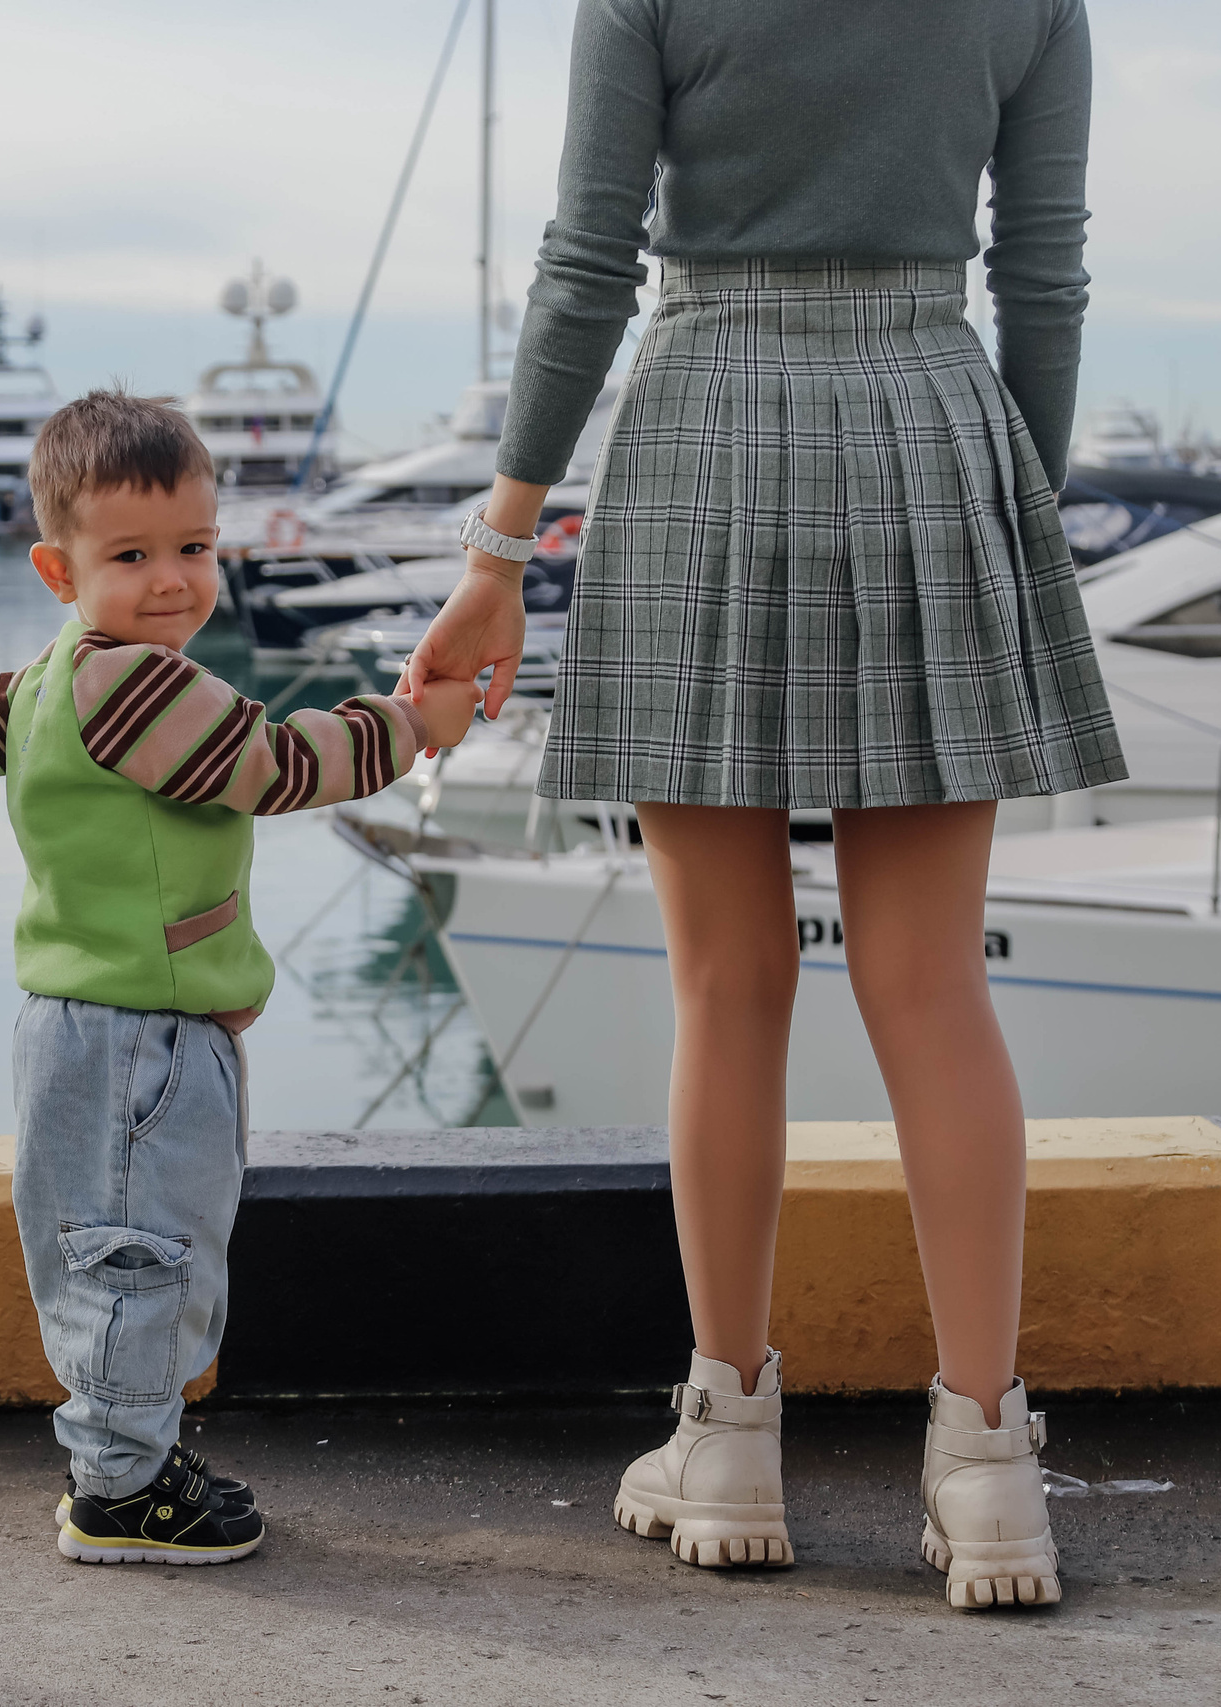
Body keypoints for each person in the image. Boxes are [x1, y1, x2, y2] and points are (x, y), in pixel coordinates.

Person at [400, 0, 1122, 1610]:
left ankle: (728, 1435)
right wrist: (1022, 508)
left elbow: (587, 260)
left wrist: (499, 557)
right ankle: (991, 1461)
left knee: (727, 983)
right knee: (933, 987)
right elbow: (1046, 271)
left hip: (706, 421)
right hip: (935, 418)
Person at [0, 392, 478, 1564]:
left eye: (193, 548)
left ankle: (125, 1456)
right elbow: (275, 765)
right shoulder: (139, 686)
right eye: (130, 556)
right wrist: (408, 721)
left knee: (120, 1248)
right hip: (141, 1038)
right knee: (139, 1258)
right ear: (58, 566)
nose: (173, 581)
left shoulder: (47, 685)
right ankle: (121, 1492)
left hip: (91, 1030)